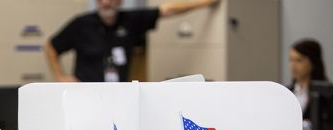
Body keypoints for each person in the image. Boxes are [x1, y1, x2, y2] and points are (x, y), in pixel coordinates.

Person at [45, 0, 219, 83]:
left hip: (119, 94)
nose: (106, 3)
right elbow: (51, 46)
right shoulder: (81, 24)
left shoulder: (131, 20)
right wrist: (61, 76)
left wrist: (206, 2)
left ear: (120, 1)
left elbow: (168, 10)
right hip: (85, 94)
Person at [288, 39, 328, 119]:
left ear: (313, 63)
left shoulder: (326, 95)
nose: (293, 66)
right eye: (291, 60)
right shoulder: (287, 93)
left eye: (299, 60)